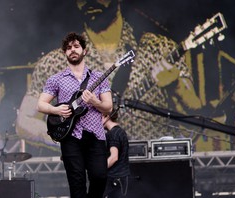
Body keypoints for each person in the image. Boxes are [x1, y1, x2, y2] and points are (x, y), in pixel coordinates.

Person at [16, 0, 201, 149]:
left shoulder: (159, 48)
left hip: (152, 168)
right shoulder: (55, 62)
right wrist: (66, 138)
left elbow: (195, 110)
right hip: (89, 169)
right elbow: (23, 122)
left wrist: (174, 84)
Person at [37, 32, 113, 197]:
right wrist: (57, 110)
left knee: (99, 177)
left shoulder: (98, 77)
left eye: (76, 46)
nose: (72, 50)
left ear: (84, 51)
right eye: (69, 48)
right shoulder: (56, 79)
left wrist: (95, 101)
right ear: (65, 53)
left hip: (96, 136)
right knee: (76, 182)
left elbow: (108, 107)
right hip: (71, 137)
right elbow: (41, 104)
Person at [102, 107, 130, 198]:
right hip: (121, 177)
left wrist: (99, 170)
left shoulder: (113, 133)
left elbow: (114, 157)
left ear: (106, 116)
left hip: (114, 178)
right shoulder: (120, 132)